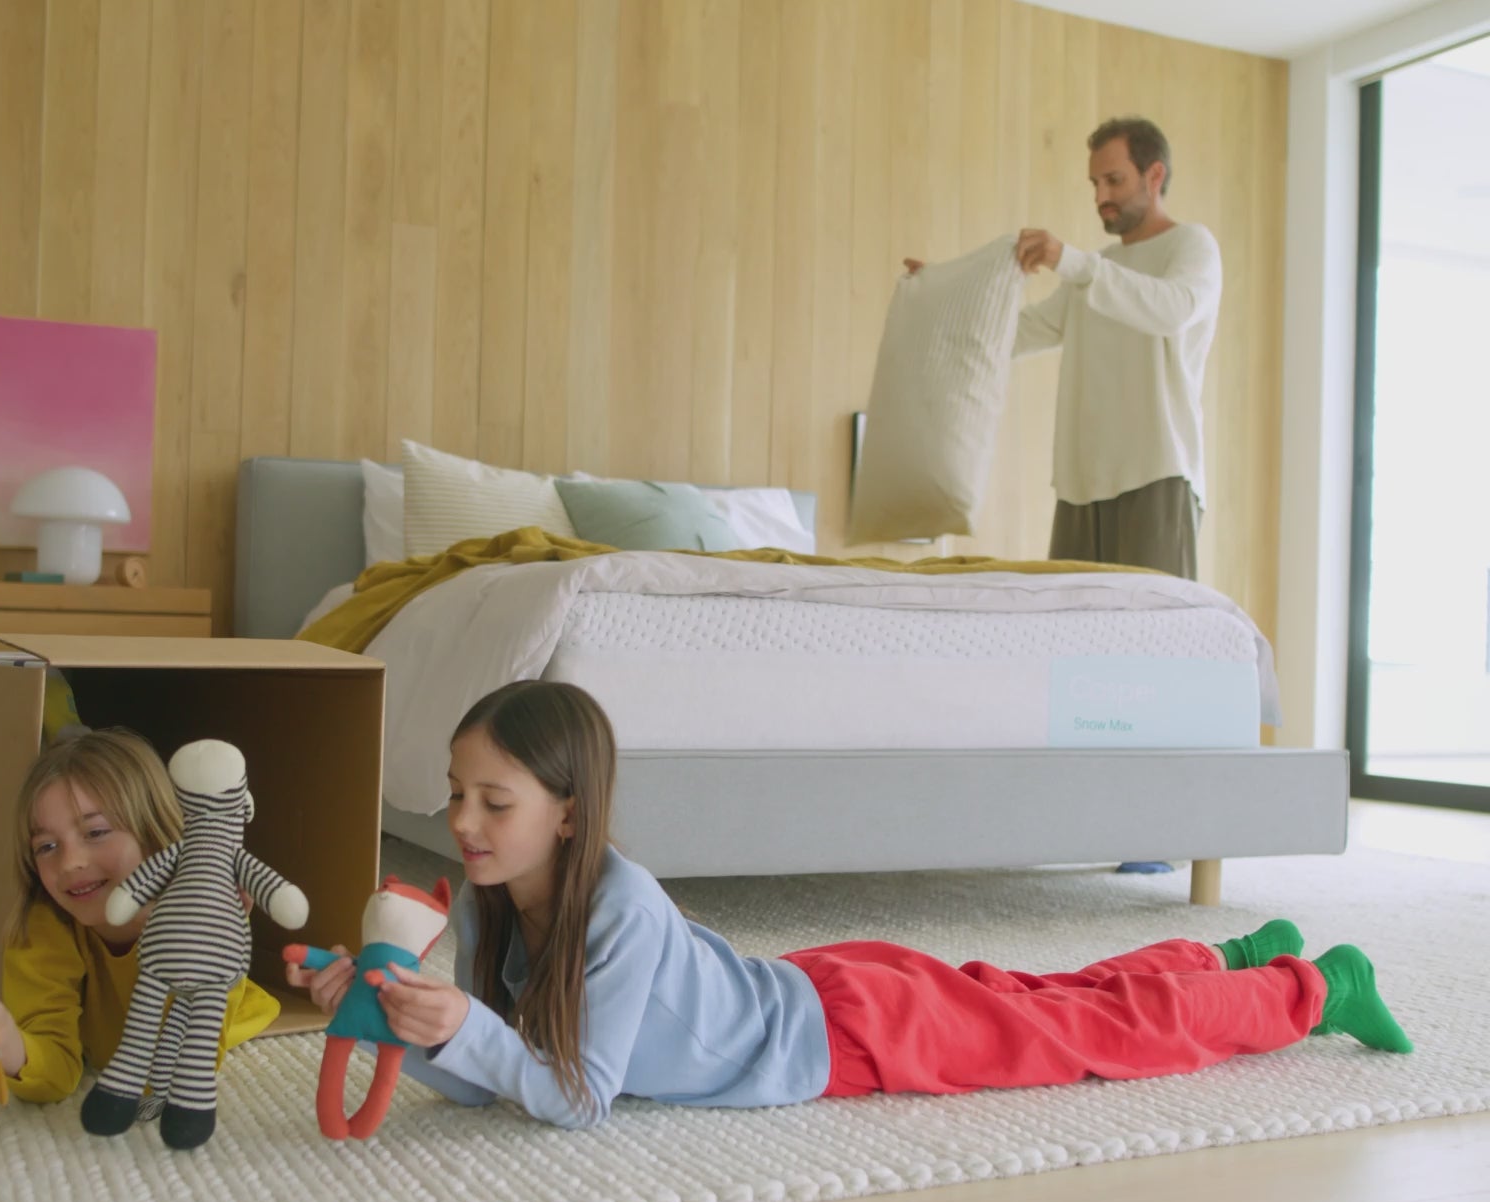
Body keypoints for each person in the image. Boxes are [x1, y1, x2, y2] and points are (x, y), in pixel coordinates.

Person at [287, 681, 1410, 1130]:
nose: (465, 821)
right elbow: (495, 1067)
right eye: (456, 794)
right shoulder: (483, 902)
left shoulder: (616, 905)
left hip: (849, 1033)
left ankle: (1307, 991)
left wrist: (459, 1026)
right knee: (1052, 995)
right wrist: (392, 1012)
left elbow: (573, 1095)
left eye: (495, 799)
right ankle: (1230, 957)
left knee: (1085, 1032)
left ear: (570, 812)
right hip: (823, 987)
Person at [908, 116, 1221, 580]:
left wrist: (1071, 261)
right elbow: (1018, 333)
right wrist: (941, 297)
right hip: (1080, 487)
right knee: (1072, 643)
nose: (1101, 197)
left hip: (1158, 478)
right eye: (1095, 183)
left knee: (1152, 645)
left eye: (1113, 180)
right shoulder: (1098, 270)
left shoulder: (1191, 245)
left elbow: (1171, 310)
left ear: (1154, 176)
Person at [0, 727, 281, 1105]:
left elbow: (176, 1071)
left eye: (96, 831)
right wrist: (6, 1041)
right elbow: (54, 1071)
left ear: (153, 831)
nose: (70, 862)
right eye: (47, 846)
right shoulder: (42, 928)